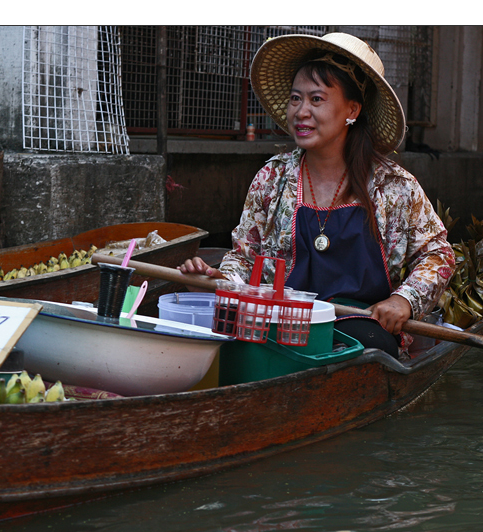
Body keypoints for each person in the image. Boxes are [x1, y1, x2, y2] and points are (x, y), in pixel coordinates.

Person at [178, 32, 456, 357]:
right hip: (279, 319)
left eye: (317, 99)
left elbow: (438, 254)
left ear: (352, 109)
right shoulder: (273, 178)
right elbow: (244, 257)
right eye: (296, 99)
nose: (301, 112)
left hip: (358, 324)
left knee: (362, 346)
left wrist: (403, 300)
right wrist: (217, 281)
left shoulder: (392, 186)